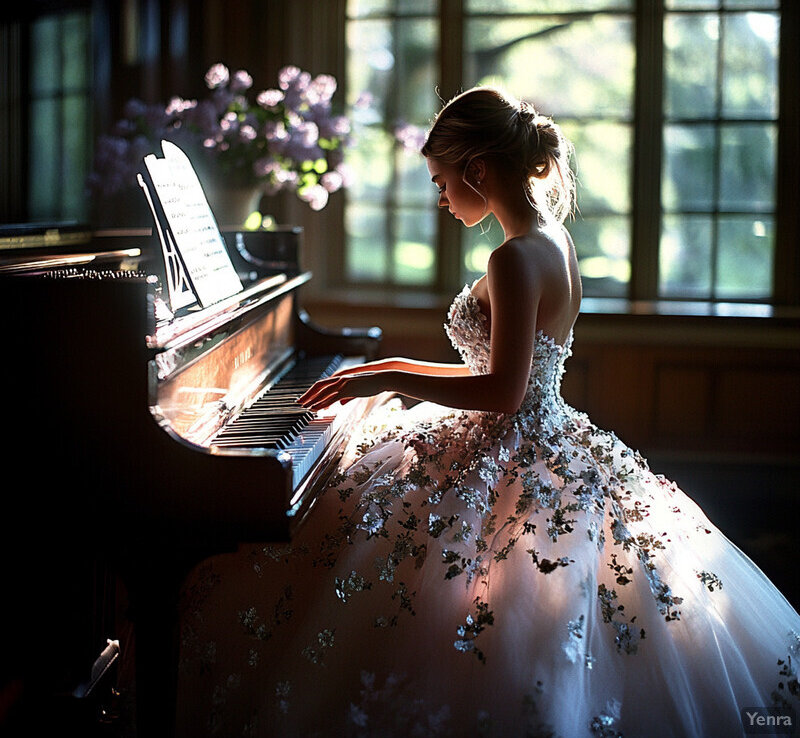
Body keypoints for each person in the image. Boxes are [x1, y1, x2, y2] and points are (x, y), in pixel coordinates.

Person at [176, 87, 800, 737]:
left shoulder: (511, 257)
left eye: (442, 181)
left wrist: (389, 374)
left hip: (507, 447)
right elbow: (515, 377)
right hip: (545, 432)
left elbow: (502, 394)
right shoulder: (552, 238)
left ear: (476, 169)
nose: (441, 198)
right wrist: (388, 374)